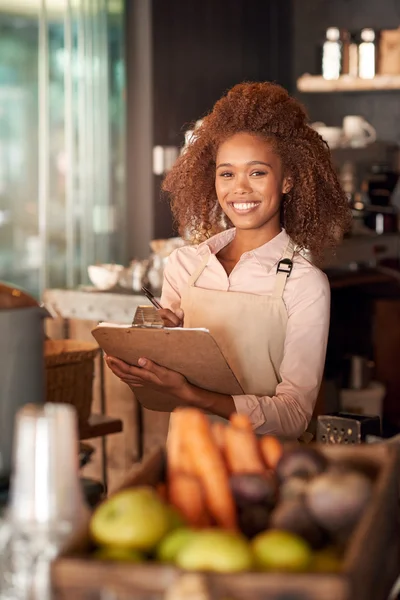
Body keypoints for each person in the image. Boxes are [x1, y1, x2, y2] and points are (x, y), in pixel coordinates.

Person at [106, 82, 351, 440]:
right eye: (227, 173)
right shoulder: (185, 266)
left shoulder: (304, 283)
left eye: (257, 172)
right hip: (190, 461)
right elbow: (165, 392)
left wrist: (195, 396)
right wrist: (149, 357)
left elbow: (295, 415)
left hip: (266, 471)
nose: (240, 188)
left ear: (287, 181)